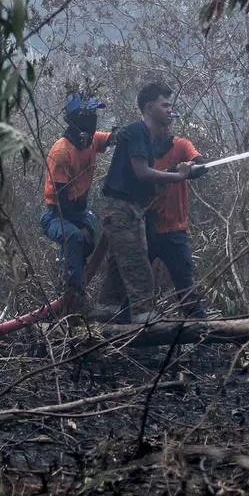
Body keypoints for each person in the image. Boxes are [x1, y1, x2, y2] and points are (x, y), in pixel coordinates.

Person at [99, 81, 191, 322]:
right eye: (165, 105)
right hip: (122, 211)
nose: (170, 110)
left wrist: (174, 173)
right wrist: (177, 176)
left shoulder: (147, 139)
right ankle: (144, 319)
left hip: (130, 211)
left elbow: (144, 180)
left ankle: (106, 316)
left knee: (119, 268)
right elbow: (142, 172)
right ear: (149, 108)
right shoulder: (138, 131)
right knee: (138, 266)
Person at [40, 94, 113, 311]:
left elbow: (110, 139)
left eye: (93, 114)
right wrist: (79, 227)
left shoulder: (90, 141)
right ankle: (71, 295)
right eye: (86, 115)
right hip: (57, 214)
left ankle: (74, 283)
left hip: (81, 211)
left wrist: (123, 135)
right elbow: (62, 201)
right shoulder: (62, 152)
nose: (91, 119)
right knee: (74, 236)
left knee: (88, 237)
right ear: (74, 118)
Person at [148, 129, 207, 318]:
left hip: (174, 232)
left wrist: (188, 168)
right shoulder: (140, 150)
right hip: (145, 230)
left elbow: (202, 165)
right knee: (135, 287)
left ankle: (201, 338)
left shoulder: (180, 146)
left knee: (187, 290)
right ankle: (130, 341)